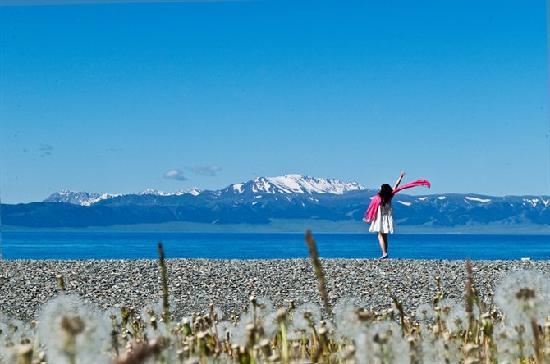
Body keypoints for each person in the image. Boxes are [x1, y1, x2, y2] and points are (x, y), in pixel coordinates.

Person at [364, 172, 431, 259]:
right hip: (387, 218)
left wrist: (369, 218)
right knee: (385, 236)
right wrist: (400, 177)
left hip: (379, 218)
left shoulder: (377, 198)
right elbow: (396, 186)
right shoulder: (390, 195)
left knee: (380, 235)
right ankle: (385, 253)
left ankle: (384, 253)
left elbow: (372, 209)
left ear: (382, 189)